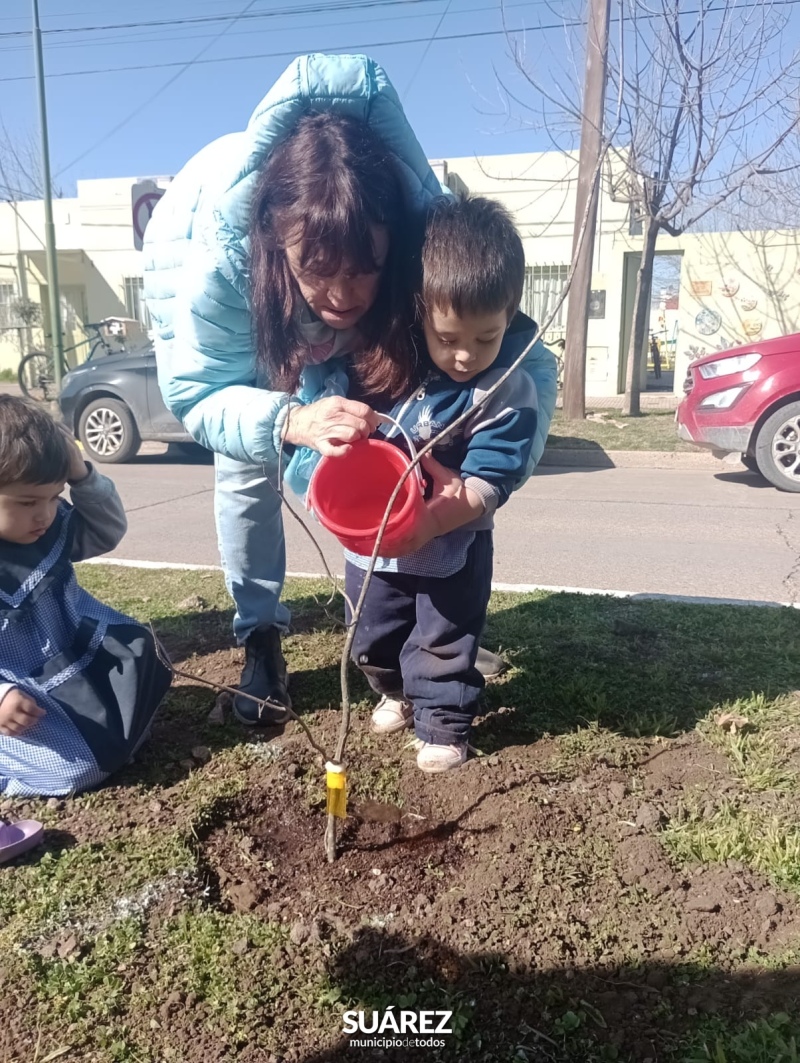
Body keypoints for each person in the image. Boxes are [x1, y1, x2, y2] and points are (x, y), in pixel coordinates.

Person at [143, 53, 557, 727]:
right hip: (208, 269)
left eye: (365, 268)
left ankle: (426, 653)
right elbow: (199, 391)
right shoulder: (220, 264)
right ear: (279, 244)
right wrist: (292, 421)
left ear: (394, 237)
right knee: (247, 470)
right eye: (319, 269)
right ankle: (260, 638)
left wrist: (483, 489)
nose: (342, 296)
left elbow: (522, 363)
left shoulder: (427, 223)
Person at [342, 196, 537, 773]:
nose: (464, 355)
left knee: (443, 637)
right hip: (375, 543)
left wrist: (435, 519)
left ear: (511, 316)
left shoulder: (503, 389)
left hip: (454, 542)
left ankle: (443, 724)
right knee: (370, 637)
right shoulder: (388, 365)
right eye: (448, 336)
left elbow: (492, 477)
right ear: (419, 311)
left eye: (487, 338)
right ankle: (394, 692)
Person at [0, 396, 171, 797]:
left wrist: (80, 475)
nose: (44, 514)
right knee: (78, 767)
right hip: (21, 687)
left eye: (53, 495)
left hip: (74, 654)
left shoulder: (46, 525)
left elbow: (105, 531)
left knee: (146, 655)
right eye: (27, 502)